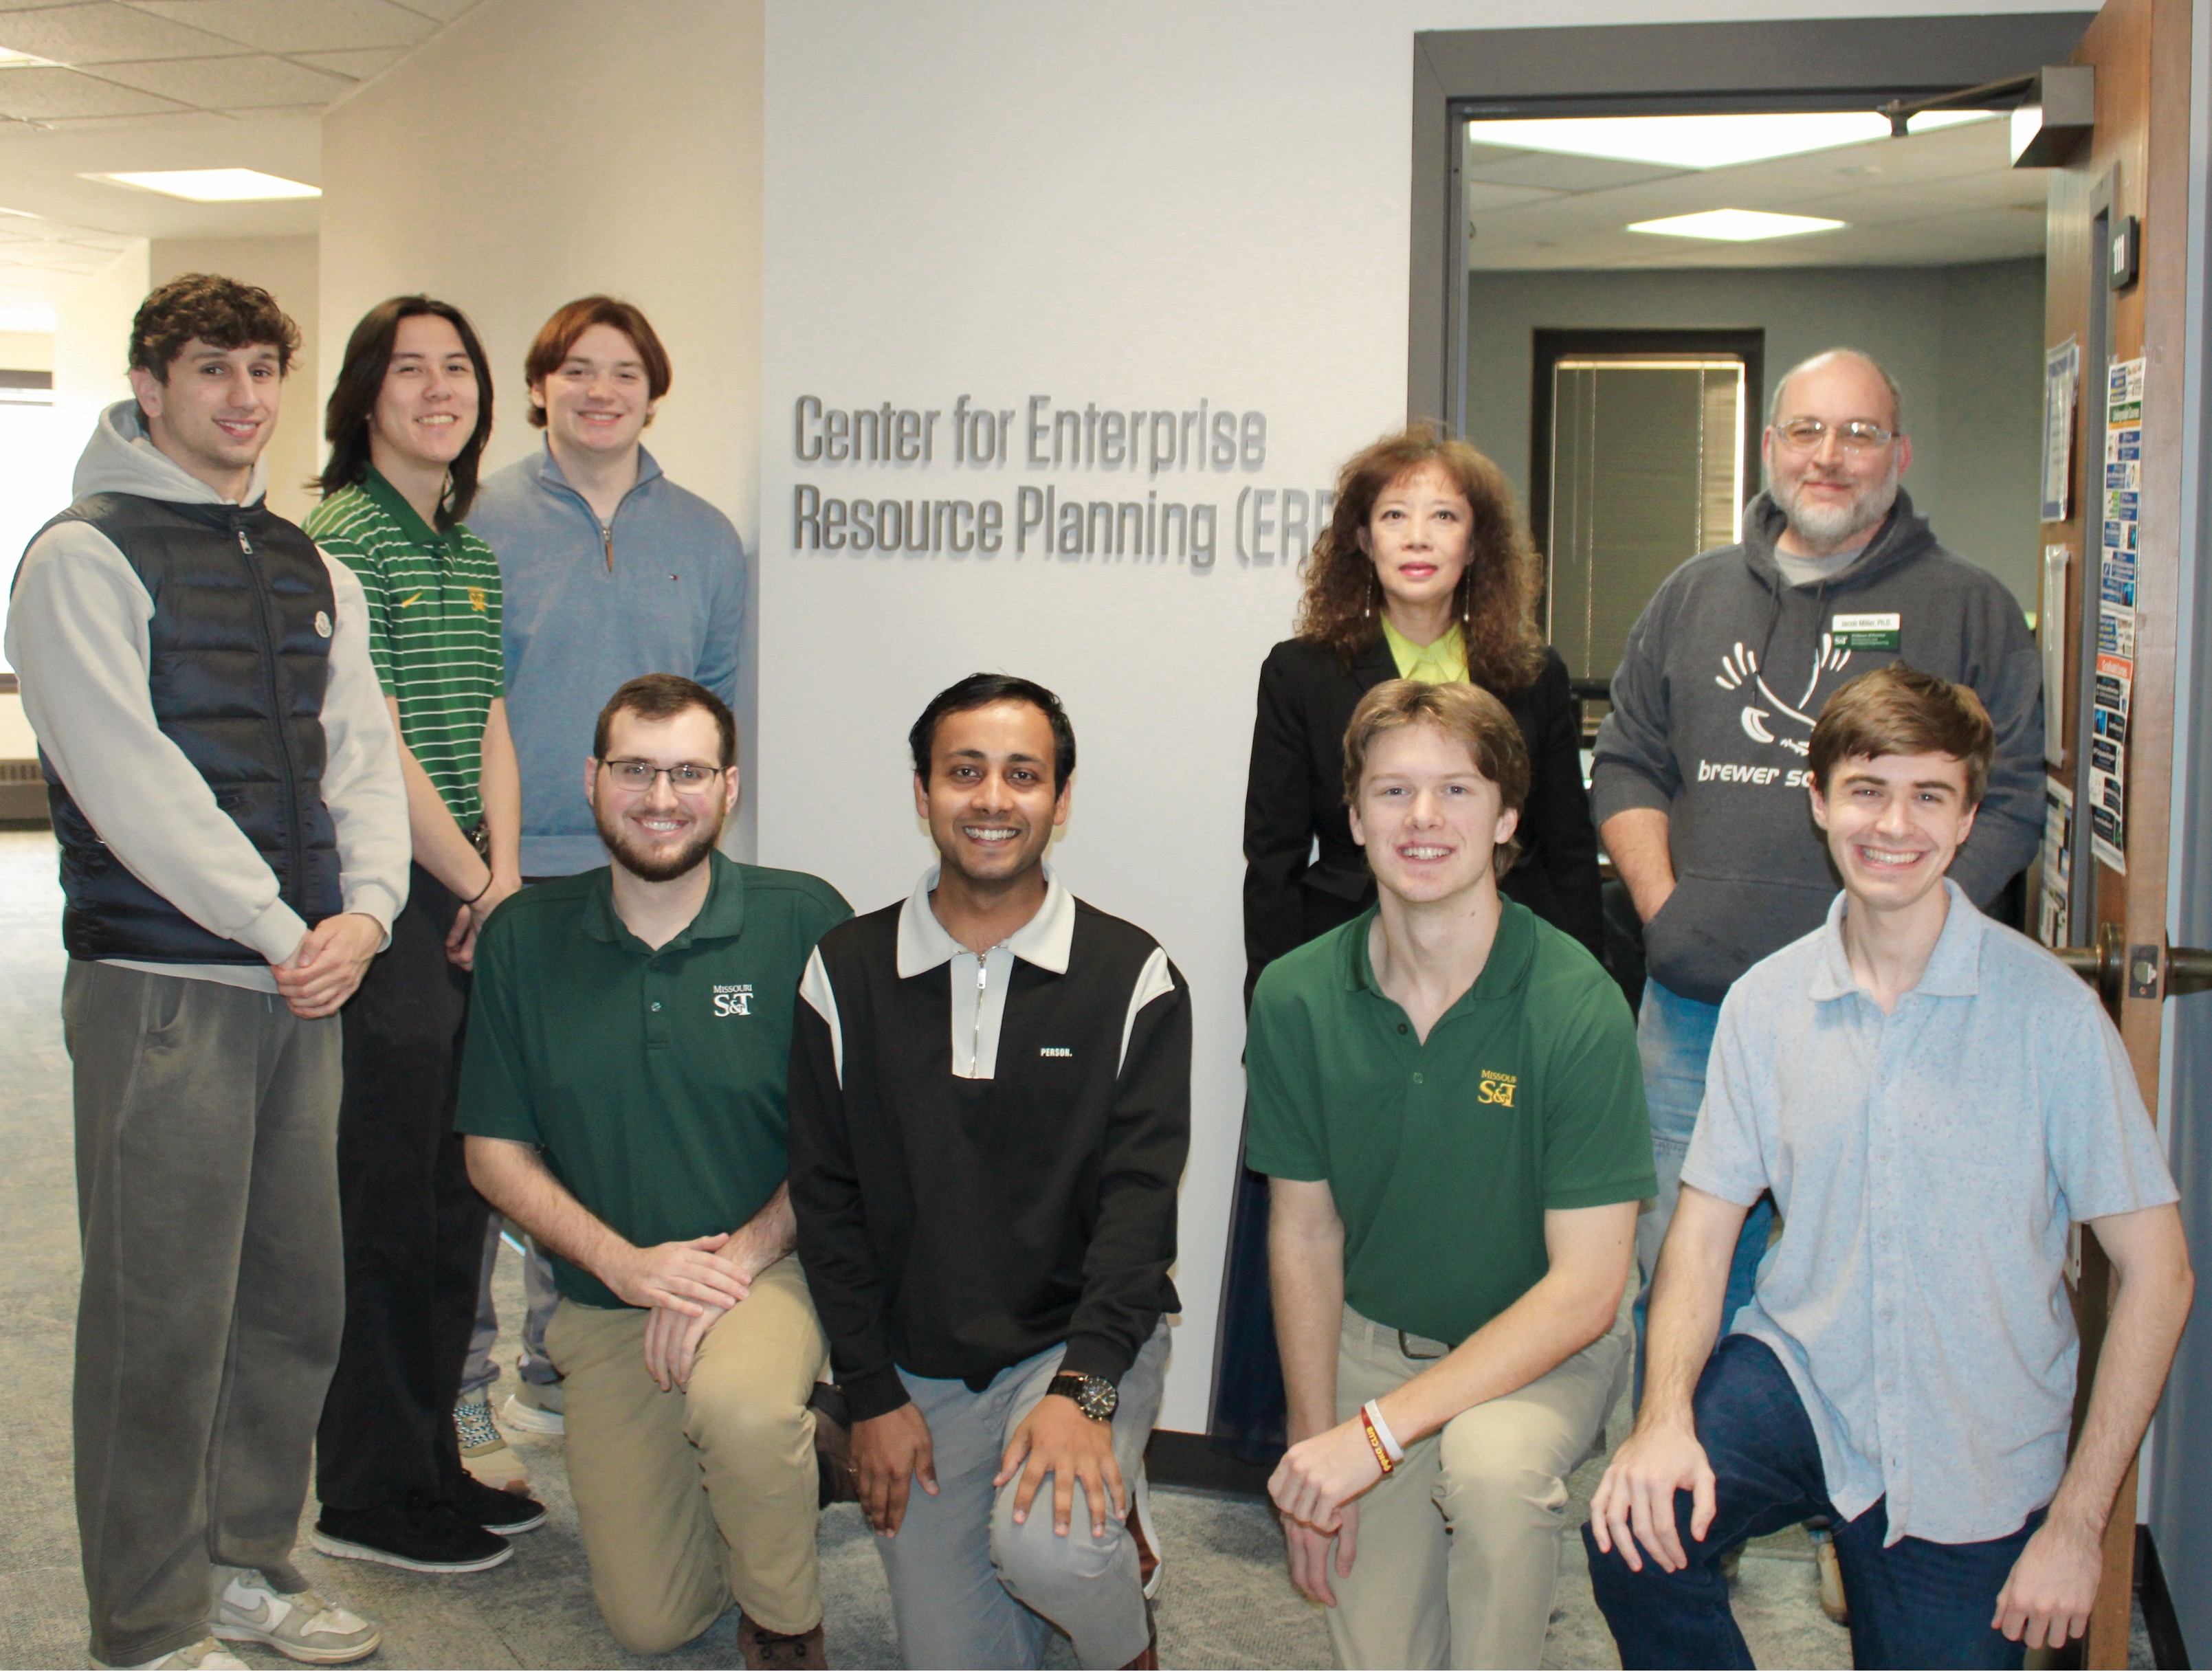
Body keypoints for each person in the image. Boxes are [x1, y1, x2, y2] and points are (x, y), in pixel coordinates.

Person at [1584, 664, 2192, 1670]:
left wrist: (2078, 1527)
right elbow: (1700, 1229)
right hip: (1804, 1381)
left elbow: (2159, 1273)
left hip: (1972, 1450)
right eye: (1865, 790)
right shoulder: (1765, 1006)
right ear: (1818, 802)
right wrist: (1658, 1423)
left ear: (1965, 821)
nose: (1892, 825)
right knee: (1632, 1531)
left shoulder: (2049, 1017)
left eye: (1927, 796)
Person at [8, 274, 408, 1670]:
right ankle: (150, 1616)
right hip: (170, 985)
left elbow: (358, 753)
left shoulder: (311, 567)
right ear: (153, 383)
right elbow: (130, 779)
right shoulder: (82, 557)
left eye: (262, 371)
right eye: (215, 371)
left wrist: (366, 914)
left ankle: (251, 1560)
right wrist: (271, 924)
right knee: (159, 1314)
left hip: (309, 982)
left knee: (294, 1298)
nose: (245, 399)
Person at [1590, 348, 2044, 1371]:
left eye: (1857, 434)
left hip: (1893, 1020)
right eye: (1806, 431)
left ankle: (1860, 1519)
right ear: (1767, 447)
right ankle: (1684, 1504)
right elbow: (1624, 766)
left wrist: (1901, 938)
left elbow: (2009, 802)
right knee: (1682, 1279)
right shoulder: (1690, 595)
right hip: (1696, 1017)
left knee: (1875, 1287)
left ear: (1898, 452)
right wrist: (1668, 911)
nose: (1828, 458)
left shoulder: (1969, 608)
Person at [789, 673, 1190, 1671]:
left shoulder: (1130, 973)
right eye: (964, 772)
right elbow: (827, 1204)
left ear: (1059, 799)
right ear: (921, 794)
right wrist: (871, 1396)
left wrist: (1084, 1392)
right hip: (921, 1369)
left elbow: (1139, 1217)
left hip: (1078, 1348)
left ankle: (1121, 1632)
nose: (993, 799)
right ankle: (1085, 1536)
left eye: (1023, 774)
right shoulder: (841, 970)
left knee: (1051, 1556)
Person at [1250, 678, 1653, 1670]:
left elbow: (1588, 1289)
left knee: (1490, 1474)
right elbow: (1303, 1233)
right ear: (1351, 818)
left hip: (1542, 1350)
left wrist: (1376, 1437)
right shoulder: (1296, 995)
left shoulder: (1575, 1002)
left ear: (1507, 817)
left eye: (1456, 791)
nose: (1422, 819)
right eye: (1391, 793)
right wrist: (1316, 1456)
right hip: (1374, 1345)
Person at [1223, 425, 1607, 1461]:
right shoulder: (1301, 670)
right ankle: (1311, 1434)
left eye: (1442, 514)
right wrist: (1272, 1010)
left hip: (1488, 975)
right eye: (1392, 515)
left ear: (1478, 541)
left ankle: (1480, 1407)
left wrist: (1583, 997)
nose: (1417, 536)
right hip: (1340, 977)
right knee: (1315, 1213)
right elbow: (1269, 855)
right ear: (1359, 539)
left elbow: (1565, 851)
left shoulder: (1529, 674)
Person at [459, 675, 850, 1669]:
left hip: (768, 1268)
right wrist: (632, 1270)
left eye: (688, 773)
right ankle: (799, 1469)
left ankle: (785, 1622)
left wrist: (734, 1266)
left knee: (741, 1411)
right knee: (653, 1621)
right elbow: (493, 1154)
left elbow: (849, 1143)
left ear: (728, 790)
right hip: (605, 1297)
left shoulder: (802, 920)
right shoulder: (524, 940)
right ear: (593, 782)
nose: (660, 797)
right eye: (635, 769)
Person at [464, 294, 749, 1442]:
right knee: (501, 1126)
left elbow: (720, 700)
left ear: (652, 390)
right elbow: (463, 705)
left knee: (604, 1119)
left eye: (624, 371)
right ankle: (465, 1377)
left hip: (654, 869)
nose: (600, 390)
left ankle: (552, 1363)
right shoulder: (479, 522)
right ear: (539, 386)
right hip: (510, 876)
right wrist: (485, 871)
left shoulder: (704, 535)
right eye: (576, 369)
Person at [298, 295, 540, 1572]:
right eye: (411, 369)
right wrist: (464, 883)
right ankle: (366, 1493)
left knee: (460, 1199)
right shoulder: (341, 542)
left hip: (467, 894)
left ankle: (431, 1457)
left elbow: (488, 719)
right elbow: (370, 742)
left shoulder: (468, 548)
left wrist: (501, 879)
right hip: (389, 908)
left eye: (459, 368)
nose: (439, 388)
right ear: (364, 394)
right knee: (387, 1206)